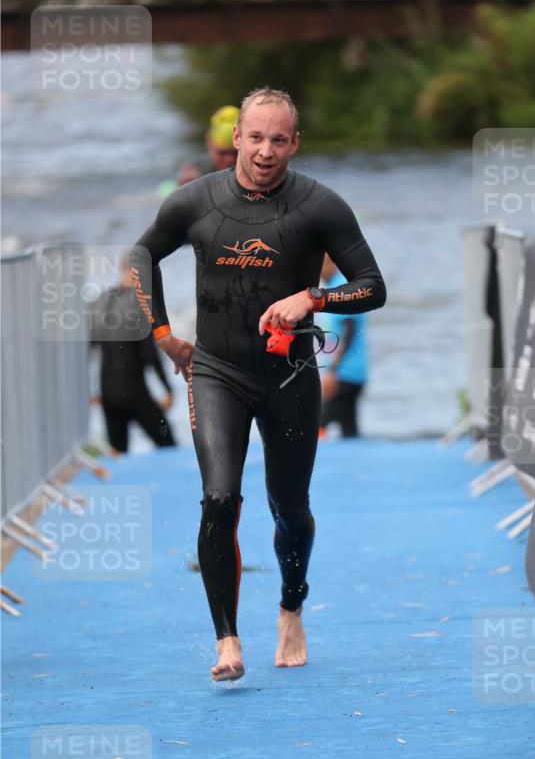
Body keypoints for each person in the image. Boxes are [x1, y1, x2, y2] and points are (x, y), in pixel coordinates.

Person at [130, 86, 386, 681]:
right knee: (220, 498)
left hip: (289, 375)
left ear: (294, 143)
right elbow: (143, 255)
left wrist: (312, 297)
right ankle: (227, 642)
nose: (265, 151)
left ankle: (291, 607)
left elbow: (373, 286)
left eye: (278, 139)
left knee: (289, 508)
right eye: (255, 138)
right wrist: (163, 334)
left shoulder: (320, 206)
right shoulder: (195, 201)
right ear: (235, 139)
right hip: (216, 371)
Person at [89, 258, 176, 454]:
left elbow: (88, 349)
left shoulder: (99, 301)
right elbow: (151, 354)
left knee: (118, 453)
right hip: (135, 391)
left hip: (107, 391)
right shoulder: (139, 302)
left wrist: (89, 391)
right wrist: (168, 389)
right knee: (168, 445)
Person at [318, 253, 369, 438]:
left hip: (344, 375)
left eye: (321, 262)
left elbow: (349, 329)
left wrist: (333, 371)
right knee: (349, 431)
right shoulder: (332, 287)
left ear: (333, 262)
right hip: (350, 373)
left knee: (316, 425)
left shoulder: (342, 288)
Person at [177, 105, 240, 185]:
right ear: (209, 142)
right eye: (222, 153)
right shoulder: (195, 169)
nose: (229, 159)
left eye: (235, 153)